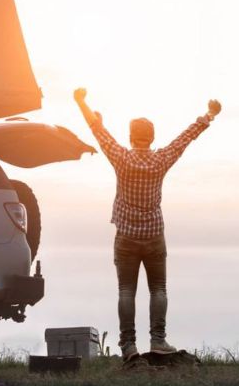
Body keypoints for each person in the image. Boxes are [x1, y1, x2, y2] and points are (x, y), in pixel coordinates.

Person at [73, 87, 221, 361]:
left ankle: (128, 346)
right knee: (159, 289)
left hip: (126, 236)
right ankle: (158, 340)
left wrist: (81, 102)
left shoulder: (120, 157)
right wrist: (209, 114)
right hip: (154, 235)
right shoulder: (161, 159)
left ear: (130, 137)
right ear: (152, 138)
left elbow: (96, 130)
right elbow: (186, 138)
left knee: (126, 291)